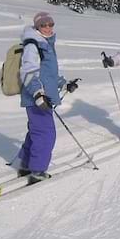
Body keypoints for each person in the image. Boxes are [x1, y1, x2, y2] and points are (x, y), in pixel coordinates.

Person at [18, 12, 76, 185]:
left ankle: (27, 164)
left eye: (50, 23)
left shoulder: (45, 44)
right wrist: (38, 94)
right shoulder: (33, 44)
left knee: (36, 132)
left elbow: (48, 74)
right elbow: (27, 71)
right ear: (37, 27)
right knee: (45, 134)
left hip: (43, 97)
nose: (48, 27)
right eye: (43, 24)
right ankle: (37, 171)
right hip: (37, 98)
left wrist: (64, 84)